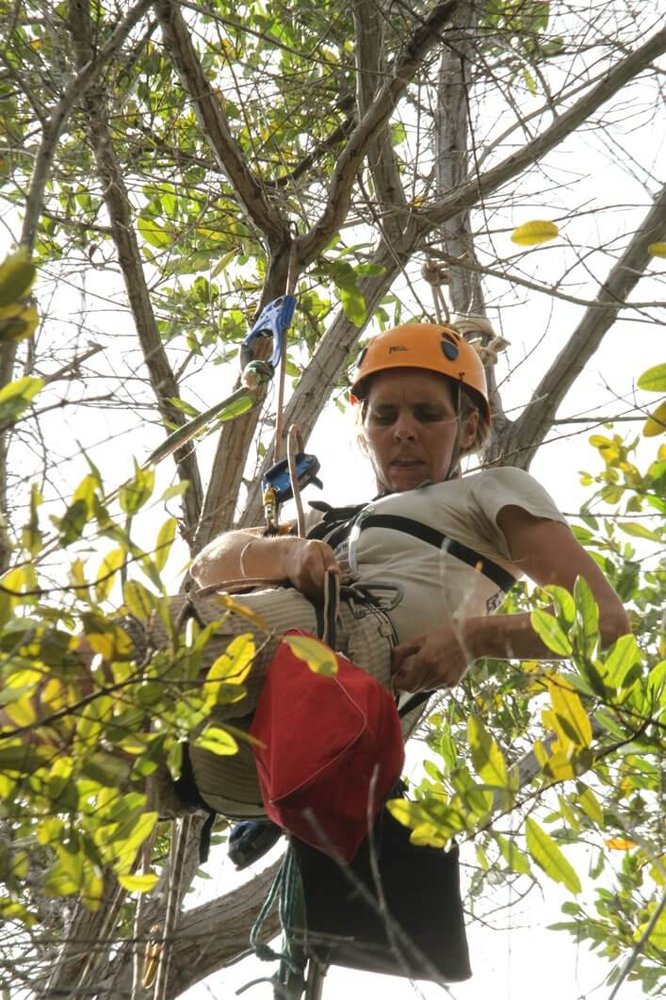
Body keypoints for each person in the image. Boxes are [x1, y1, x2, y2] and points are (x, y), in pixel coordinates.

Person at [166, 321, 629, 819]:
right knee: (92, 724)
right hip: (207, 769)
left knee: (147, 650)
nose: (403, 430)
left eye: (428, 414)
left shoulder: (489, 491)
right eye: (385, 416)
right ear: (364, 429)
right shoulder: (323, 520)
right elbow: (205, 566)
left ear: (468, 428)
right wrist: (287, 554)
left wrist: (474, 638)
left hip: (339, 671)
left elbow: (605, 623)